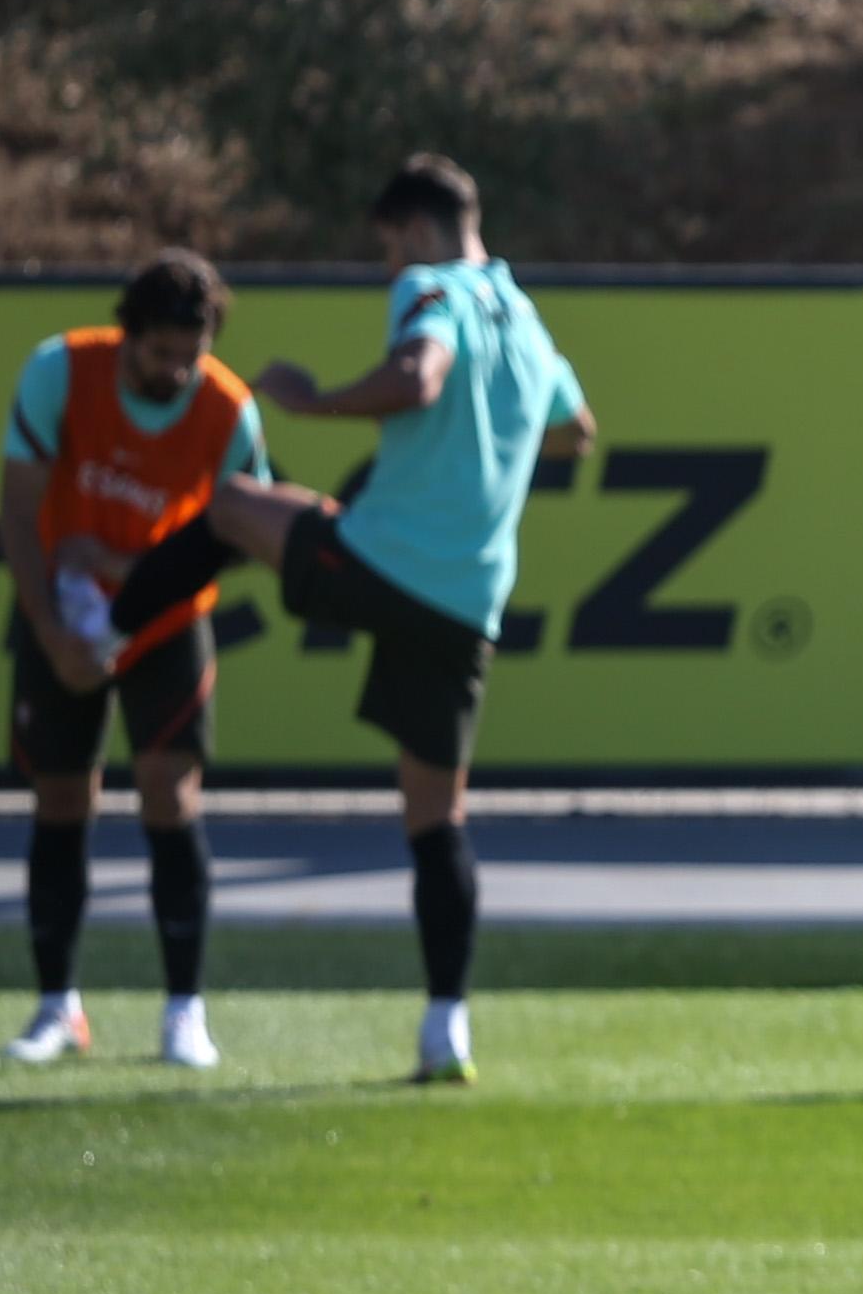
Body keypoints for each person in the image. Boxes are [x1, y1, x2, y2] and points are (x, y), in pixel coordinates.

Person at [88, 154, 588, 1086]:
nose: (390, 264)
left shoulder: (431, 289)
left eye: (390, 245)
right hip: (470, 600)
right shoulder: (526, 318)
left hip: (387, 562)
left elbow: (420, 375)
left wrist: (316, 400)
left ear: (419, 231)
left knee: (234, 505)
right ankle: (446, 1029)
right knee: (436, 818)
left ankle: (105, 625)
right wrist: (497, 448)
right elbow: (576, 429)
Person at [0, 251, 273, 1070]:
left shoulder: (227, 408)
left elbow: (247, 530)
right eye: (160, 353)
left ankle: (185, 1009)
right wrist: (52, 630)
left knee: (168, 791)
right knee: (61, 794)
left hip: (165, 619)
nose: (177, 370)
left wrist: (128, 571)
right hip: (63, 609)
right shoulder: (60, 371)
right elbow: (17, 510)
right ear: (128, 336)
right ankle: (57, 1005)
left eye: (192, 353)